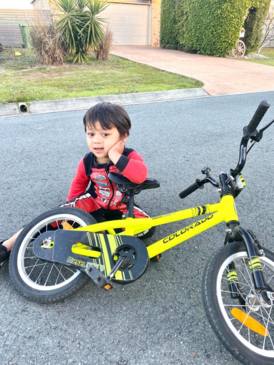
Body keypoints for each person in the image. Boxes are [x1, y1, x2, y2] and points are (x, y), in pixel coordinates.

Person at [0, 102, 151, 266]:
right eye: (91, 134)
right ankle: (8, 245)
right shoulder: (87, 161)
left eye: (105, 134)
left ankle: (100, 240)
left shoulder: (130, 156)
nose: (97, 141)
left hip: (122, 206)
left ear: (123, 136)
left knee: (147, 227)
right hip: (93, 202)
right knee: (54, 218)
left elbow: (140, 176)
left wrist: (115, 155)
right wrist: (69, 208)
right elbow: (78, 185)